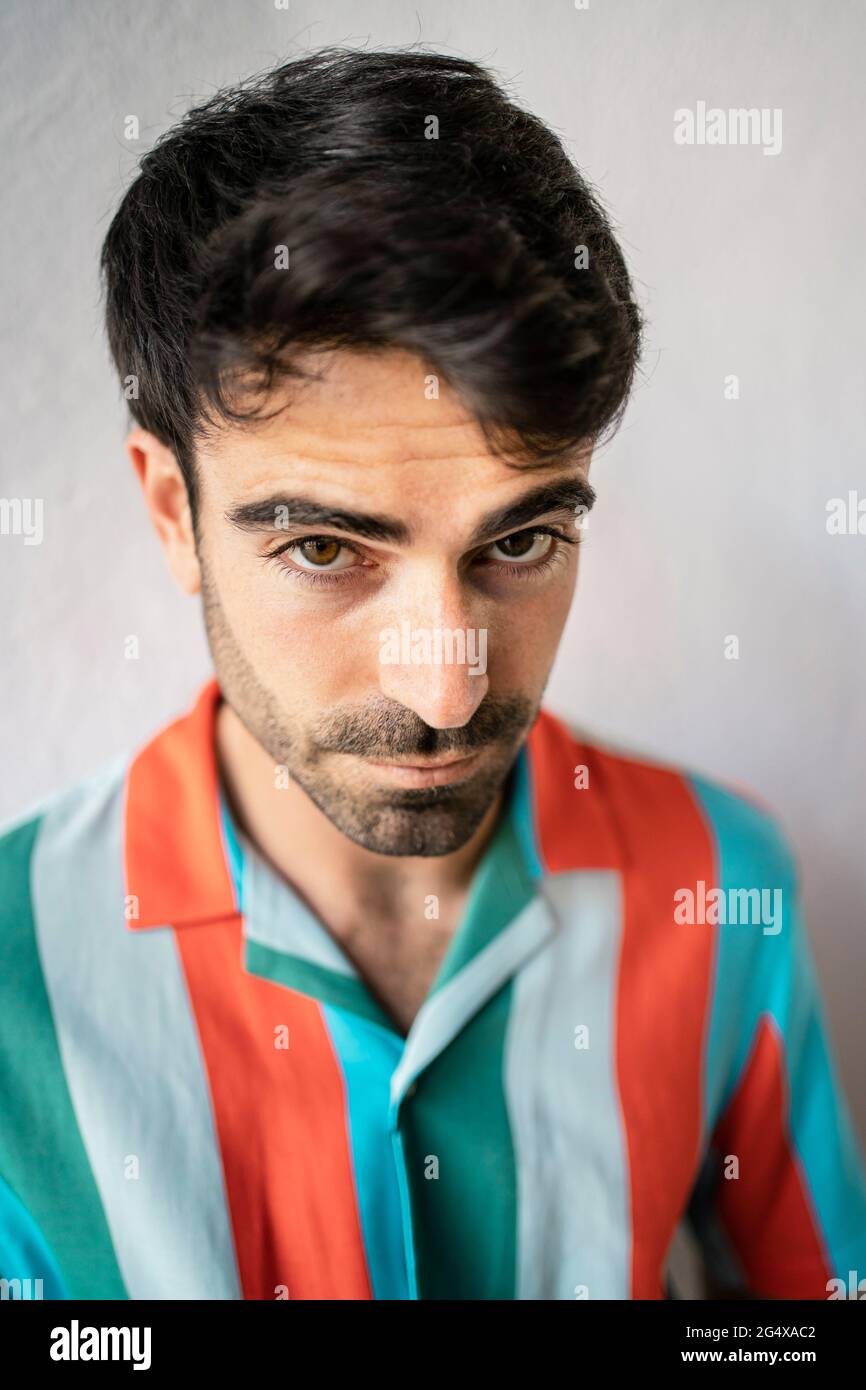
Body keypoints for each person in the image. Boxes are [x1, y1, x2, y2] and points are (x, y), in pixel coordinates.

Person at [2, 46, 864, 1302]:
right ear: (172, 509)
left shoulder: (720, 882)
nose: (449, 694)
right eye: (324, 547)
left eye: (518, 541)